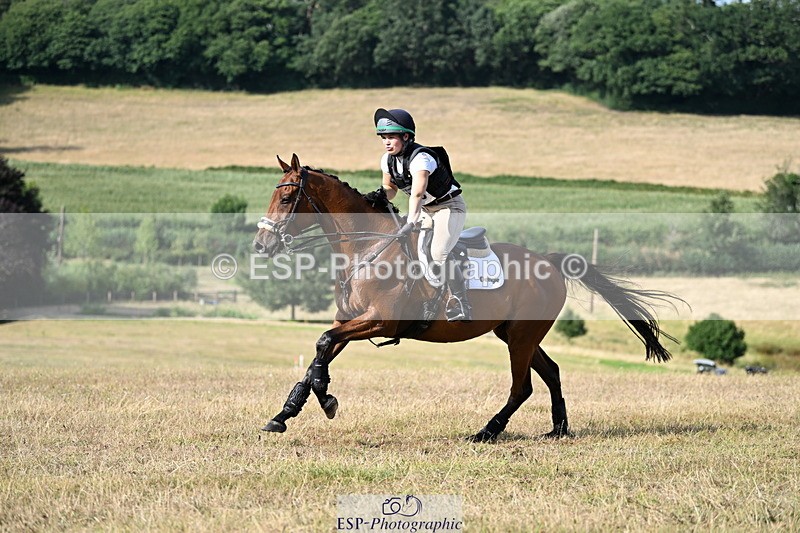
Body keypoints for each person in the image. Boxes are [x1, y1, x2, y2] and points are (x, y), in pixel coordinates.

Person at [367, 108, 472, 322]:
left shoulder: (421, 159)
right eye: (384, 138)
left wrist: (411, 221)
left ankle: (462, 303)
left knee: (438, 253)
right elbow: (390, 188)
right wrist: (377, 196)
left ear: (406, 137)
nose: (387, 143)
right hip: (425, 210)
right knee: (411, 249)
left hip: (448, 208)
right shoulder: (387, 160)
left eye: (391, 138)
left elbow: (417, 193)